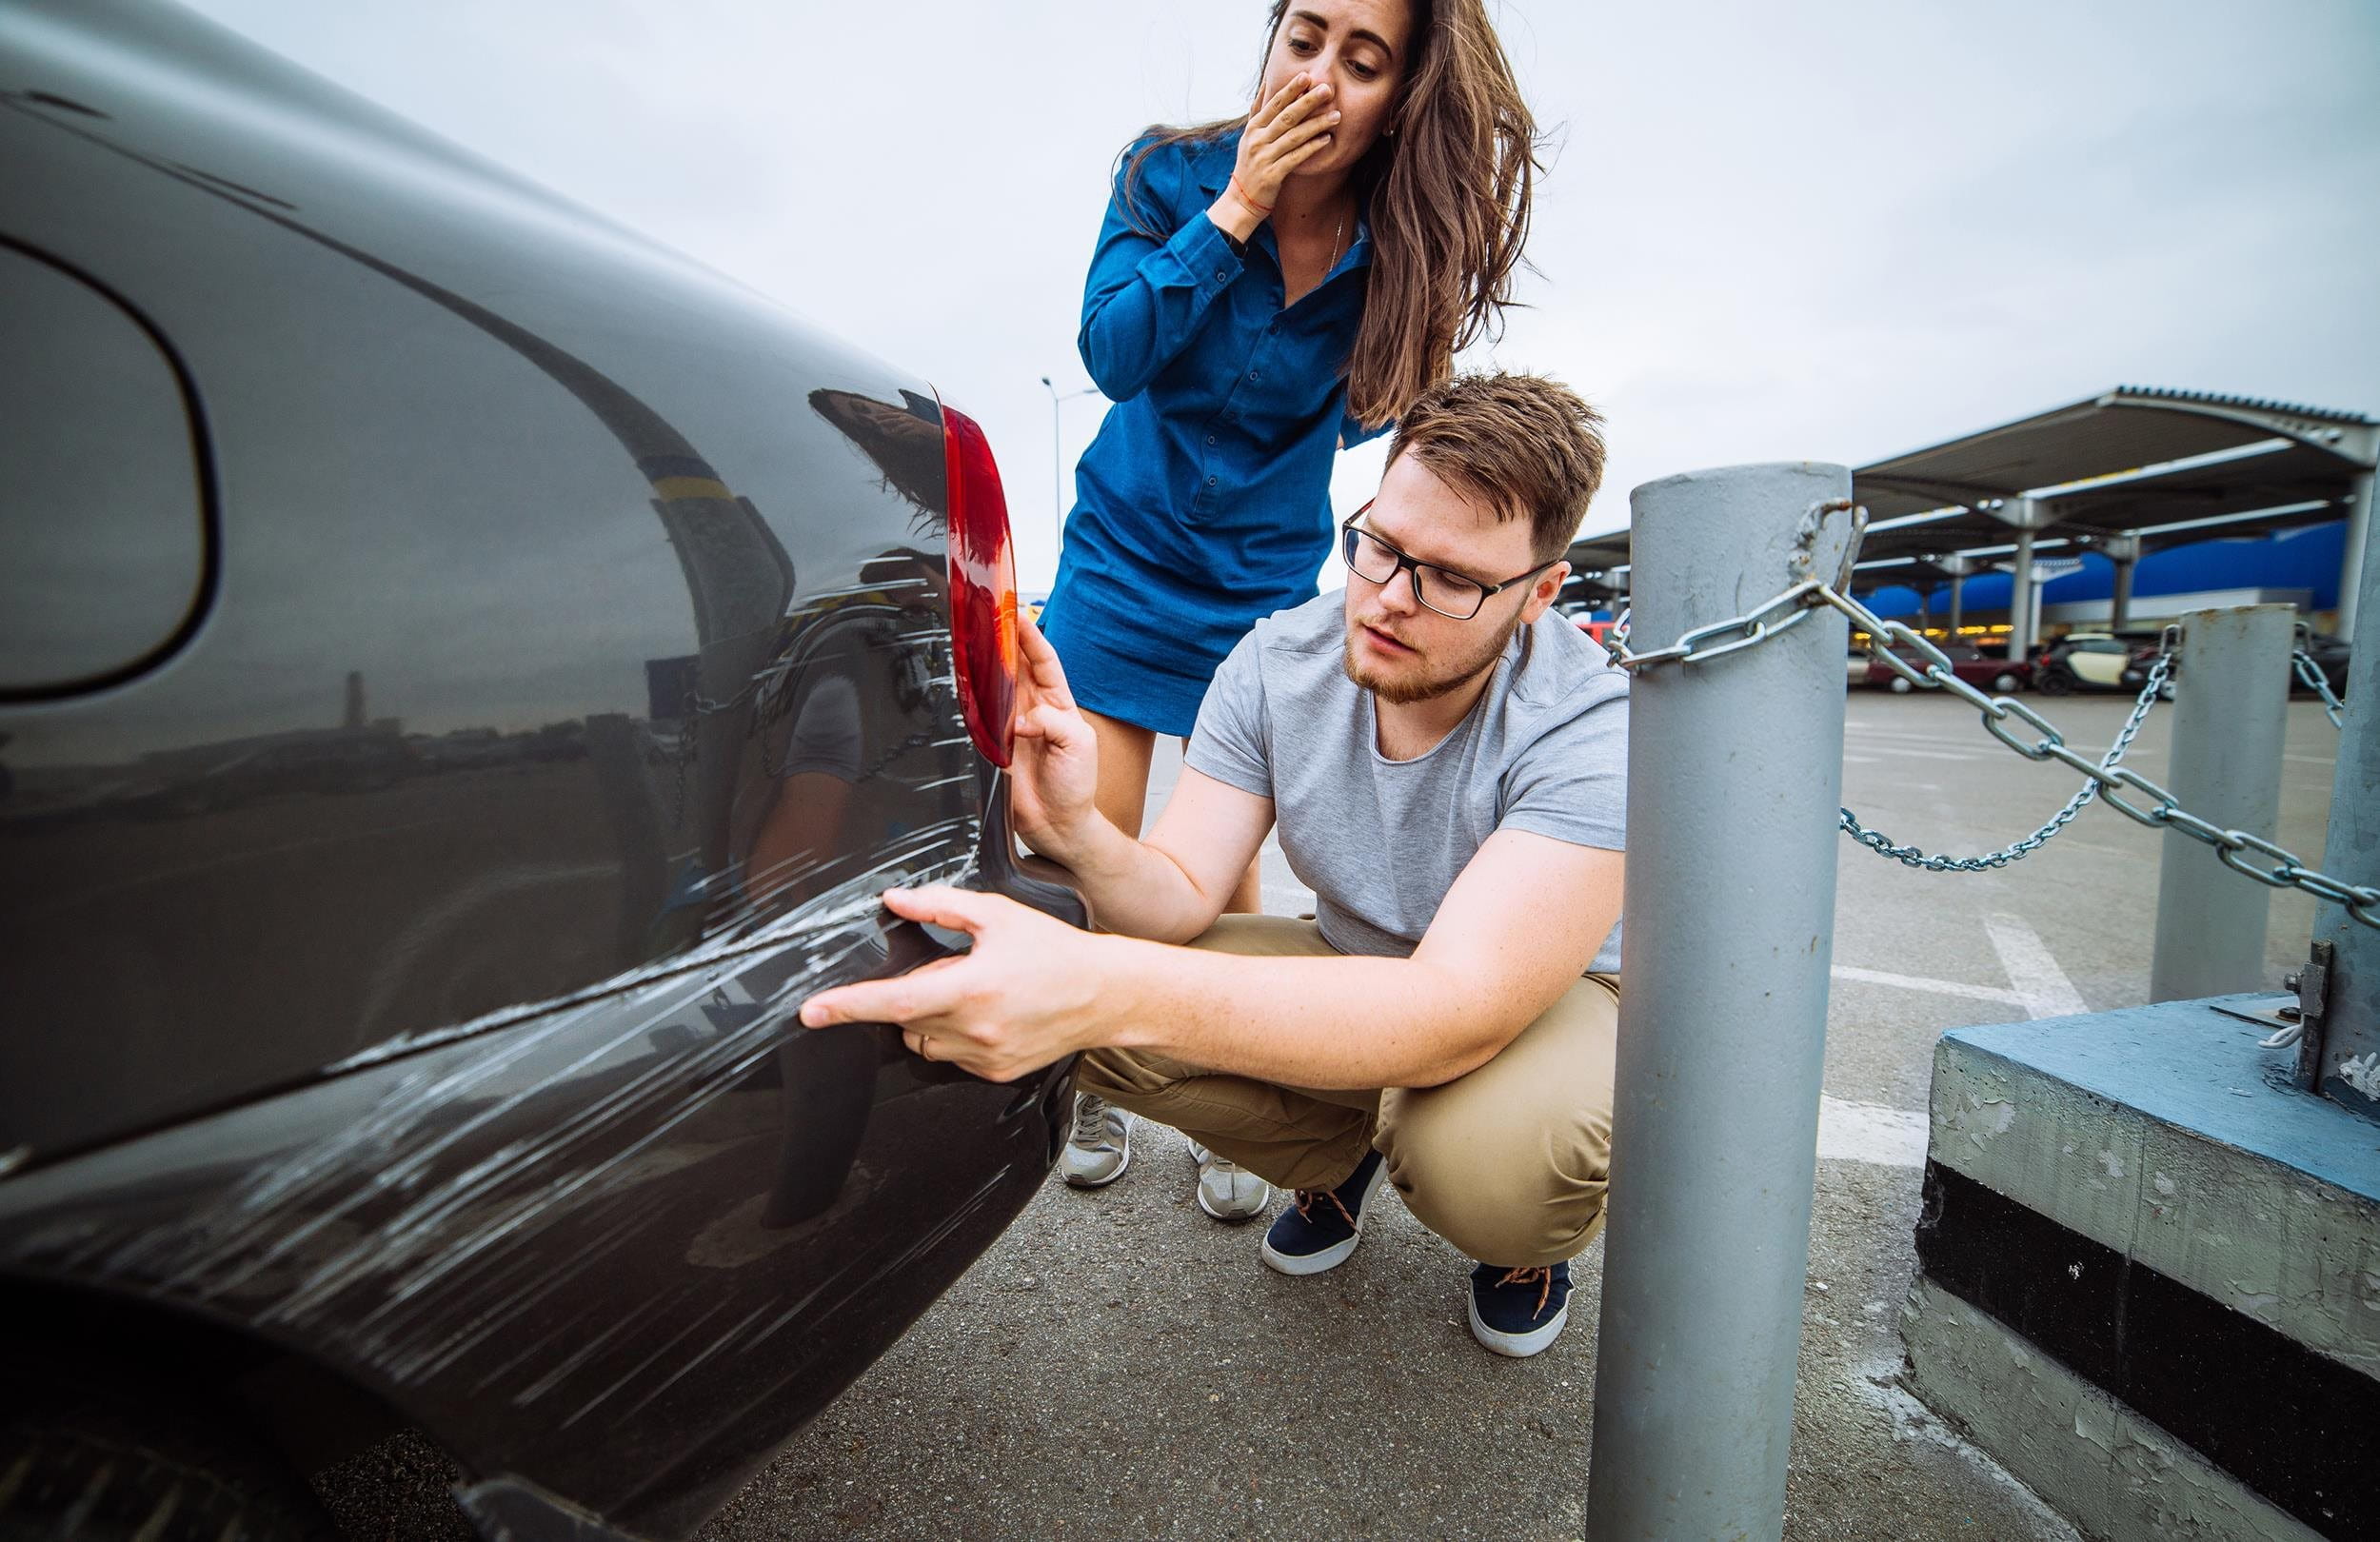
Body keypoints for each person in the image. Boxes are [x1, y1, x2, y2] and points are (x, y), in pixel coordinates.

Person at [802, 373, 1624, 1357]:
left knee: (1490, 1165)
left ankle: (1521, 1246)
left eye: (1449, 578)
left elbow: (1455, 1011)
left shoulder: (1590, 720)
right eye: (1380, 546)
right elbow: (1180, 900)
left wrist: (1101, 987)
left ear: (1538, 593)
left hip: (1539, 999)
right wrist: (1076, 831)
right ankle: (1337, 1157)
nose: (1389, 601)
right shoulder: (1281, 658)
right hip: (1359, 963)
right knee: (1091, 992)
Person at [1044, 0, 1541, 1211]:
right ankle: (1095, 1085)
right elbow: (1112, 354)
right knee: (1096, 854)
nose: (1318, 75)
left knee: (1220, 876)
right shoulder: (1166, 172)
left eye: (1361, 60)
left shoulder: (1397, 246)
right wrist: (1235, 215)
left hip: (1261, 589)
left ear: (1398, 102)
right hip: (1122, 557)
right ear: (1270, 34)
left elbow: (1372, 410)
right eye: (1303, 35)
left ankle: (1238, 1095)